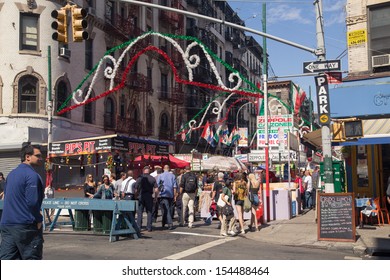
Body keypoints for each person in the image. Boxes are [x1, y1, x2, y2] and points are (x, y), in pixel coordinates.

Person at [0, 142, 44, 259]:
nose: (41, 158)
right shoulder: (32, 175)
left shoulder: (11, 174)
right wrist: (39, 218)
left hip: (7, 224)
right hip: (26, 226)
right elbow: (32, 202)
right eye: (38, 156)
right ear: (27, 157)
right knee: (31, 258)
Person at [134, 166, 158, 232]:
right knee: (149, 212)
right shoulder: (152, 178)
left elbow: (135, 188)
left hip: (141, 196)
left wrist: (136, 196)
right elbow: (156, 189)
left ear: (143, 170)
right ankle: (149, 227)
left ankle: (139, 227)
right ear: (149, 171)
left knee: (140, 212)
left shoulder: (140, 178)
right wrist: (155, 197)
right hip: (149, 196)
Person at [156, 165, 177, 230]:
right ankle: (165, 222)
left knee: (165, 209)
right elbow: (174, 187)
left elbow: (157, 186)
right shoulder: (173, 176)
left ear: (163, 169)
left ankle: (169, 223)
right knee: (169, 209)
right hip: (170, 194)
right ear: (169, 169)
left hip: (163, 194)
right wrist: (175, 195)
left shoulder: (160, 176)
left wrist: (156, 195)